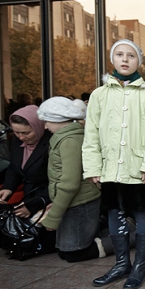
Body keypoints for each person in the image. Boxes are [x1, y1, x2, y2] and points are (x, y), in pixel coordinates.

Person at [83, 38, 145, 289]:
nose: (125, 59)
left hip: (140, 170)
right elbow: (91, 134)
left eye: (130, 55)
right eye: (120, 54)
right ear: (112, 59)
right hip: (110, 169)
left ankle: (140, 265)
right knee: (114, 214)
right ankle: (121, 263)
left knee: (142, 214)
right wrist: (93, 167)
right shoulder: (99, 95)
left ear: (138, 61)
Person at [37, 97, 109, 262]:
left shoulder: (70, 140)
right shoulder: (65, 137)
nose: (45, 126)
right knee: (64, 251)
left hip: (80, 202)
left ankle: (127, 235)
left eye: (47, 121)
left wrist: (53, 216)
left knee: (74, 253)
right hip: (71, 202)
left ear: (60, 120)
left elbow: (70, 183)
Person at [0, 105, 55, 256]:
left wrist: (33, 205)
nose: (21, 137)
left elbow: (57, 181)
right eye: (17, 132)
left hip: (49, 195)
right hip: (29, 192)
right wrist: (8, 187)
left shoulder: (51, 143)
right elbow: (14, 168)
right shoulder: (16, 142)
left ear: (38, 126)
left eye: (26, 133)